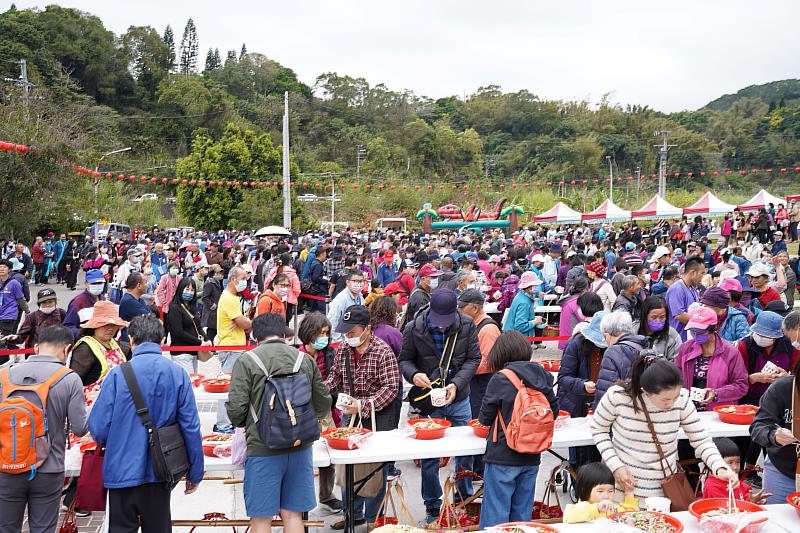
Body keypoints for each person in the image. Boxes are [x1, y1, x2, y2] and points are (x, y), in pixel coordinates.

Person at [88, 314, 204, 533]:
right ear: (162, 341)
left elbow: (99, 428)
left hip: (121, 470)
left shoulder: (116, 375)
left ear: (131, 340)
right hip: (161, 470)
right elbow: (191, 427)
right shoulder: (177, 374)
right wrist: (195, 470)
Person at [226, 313, 331, 533]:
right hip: (300, 446)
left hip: (263, 449)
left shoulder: (247, 361)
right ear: (284, 334)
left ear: (255, 335)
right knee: (293, 515)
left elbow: (236, 412)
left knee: (262, 518)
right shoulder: (304, 359)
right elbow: (323, 403)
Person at [591, 356, 737, 500]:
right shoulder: (618, 397)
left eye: (676, 396)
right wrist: (615, 466)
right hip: (623, 489)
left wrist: (719, 467)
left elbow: (701, 440)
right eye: (666, 399)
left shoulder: (682, 400)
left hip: (664, 492)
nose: (672, 403)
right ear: (645, 391)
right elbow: (598, 429)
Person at [399, 289, 481, 523]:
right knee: (429, 456)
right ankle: (432, 504)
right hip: (430, 399)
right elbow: (404, 359)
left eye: (446, 322)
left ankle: (464, 497)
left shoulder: (466, 325)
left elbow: (473, 359)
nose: (442, 327)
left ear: (456, 311)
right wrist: (414, 375)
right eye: (438, 322)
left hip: (459, 397)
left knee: (465, 451)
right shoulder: (415, 327)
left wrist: (456, 384)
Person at [0, 326, 87, 533]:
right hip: (49, 468)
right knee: (43, 528)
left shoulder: (4, 376)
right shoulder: (69, 378)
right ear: (67, 350)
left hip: (7, 466)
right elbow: (80, 428)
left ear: (36, 347)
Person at [324, 305, 400, 529]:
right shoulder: (344, 350)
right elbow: (334, 378)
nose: (348, 337)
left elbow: (391, 388)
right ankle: (351, 514)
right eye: (345, 333)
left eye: (352, 332)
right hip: (350, 419)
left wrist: (363, 405)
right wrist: (320, 391)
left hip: (379, 418)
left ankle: (373, 520)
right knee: (350, 468)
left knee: (376, 471)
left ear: (367, 329)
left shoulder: (382, 351)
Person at [477, 330, 557, 529]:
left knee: (496, 516)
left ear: (500, 354)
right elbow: (553, 411)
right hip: (532, 454)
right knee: (522, 516)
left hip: (502, 454)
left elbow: (485, 418)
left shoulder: (500, 378)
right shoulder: (544, 376)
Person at [296, 312, 342, 514]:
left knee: (329, 455)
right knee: (301, 455)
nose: (325, 337)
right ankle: (298, 498)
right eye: (321, 333)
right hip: (301, 413)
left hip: (326, 411)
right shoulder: (296, 356)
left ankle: (327, 495)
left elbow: (334, 379)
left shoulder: (330, 354)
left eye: (327, 333)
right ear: (309, 333)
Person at [674, 307, 748, 411]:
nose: (695, 335)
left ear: (713, 329)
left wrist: (717, 393)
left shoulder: (730, 353)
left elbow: (741, 385)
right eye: (693, 331)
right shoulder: (686, 348)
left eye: (700, 332)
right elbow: (676, 376)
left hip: (718, 411)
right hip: (689, 410)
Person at [214, 266, 253, 433]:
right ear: (232, 280)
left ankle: (226, 422)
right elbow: (245, 324)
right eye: (243, 278)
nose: (245, 281)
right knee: (227, 388)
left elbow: (243, 323)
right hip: (231, 347)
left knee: (233, 387)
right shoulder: (229, 298)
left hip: (235, 345)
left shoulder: (233, 297)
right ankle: (222, 424)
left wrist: (244, 322)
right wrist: (247, 322)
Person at [563, 462, 638, 523]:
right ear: (584, 490)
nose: (606, 496)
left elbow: (631, 515)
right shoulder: (578, 508)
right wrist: (597, 508)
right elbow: (568, 517)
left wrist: (629, 493)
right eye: (600, 491)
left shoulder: (612, 509)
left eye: (610, 491)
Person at [701, 438, 768, 503]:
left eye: (738, 462)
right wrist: (749, 502)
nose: (735, 467)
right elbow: (725, 508)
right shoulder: (712, 486)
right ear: (716, 463)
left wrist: (754, 500)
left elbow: (745, 496)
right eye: (730, 462)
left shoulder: (735, 481)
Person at [167, 277, 210, 374]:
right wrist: (199, 342)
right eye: (187, 289)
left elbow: (198, 326)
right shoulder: (175, 308)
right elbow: (178, 332)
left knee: (194, 382)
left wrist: (207, 339)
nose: (190, 292)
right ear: (180, 289)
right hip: (181, 354)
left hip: (193, 352)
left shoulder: (191, 308)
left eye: (192, 290)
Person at [666, 256, 704, 341]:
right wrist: (702, 320)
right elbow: (679, 315)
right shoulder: (676, 289)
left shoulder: (692, 288)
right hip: (678, 339)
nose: (702, 276)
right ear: (693, 272)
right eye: (702, 273)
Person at [502, 271, 545, 341]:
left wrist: (532, 318)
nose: (537, 287)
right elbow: (519, 326)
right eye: (535, 285)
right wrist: (534, 322)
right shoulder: (524, 303)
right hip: (518, 340)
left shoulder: (521, 295)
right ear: (528, 287)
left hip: (511, 336)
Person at [637, 296, 681, 362]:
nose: (658, 321)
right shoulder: (633, 331)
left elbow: (676, 364)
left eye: (662, 317)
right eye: (654, 317)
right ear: (645, 316)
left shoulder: (673, 336)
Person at [327, 270, 366, 344]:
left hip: (356, 338)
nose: (359, 284)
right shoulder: (341, 299)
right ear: (348, 282)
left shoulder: (360, 296)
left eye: (361, 281)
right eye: (355, 281)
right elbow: (333, 321)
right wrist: (337, 342)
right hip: (344, 340)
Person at [0, 259, 28, 359]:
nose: (1, 269)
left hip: (9, 315)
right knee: (6, 339)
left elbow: (21, 299)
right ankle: (16, 353)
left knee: (3, 341)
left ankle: (4, 363)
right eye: (0, 267)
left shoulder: (14, 283)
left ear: (9, 270)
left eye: (4, 267)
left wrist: (27, 311)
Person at [118, 272, 155, 345]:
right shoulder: (128, 301)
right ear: (139, 286)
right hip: (130, 343)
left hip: (138, 340)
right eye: (145, 282)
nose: (147, 285)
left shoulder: (139, 299)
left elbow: (152, 316)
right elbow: (150, 318)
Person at [557, 277, 588, 350]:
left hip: (566, 339)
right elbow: (584, 319)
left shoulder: (569, 299)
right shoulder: (577, 302)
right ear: (584, 289)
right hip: (572, 340)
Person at [155, 260, 182, 325]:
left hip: (177, 304)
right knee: (167, 324)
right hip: (167, 304)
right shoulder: (164, 278)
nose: (175, 269)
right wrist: (165, 302)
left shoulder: (180, 277)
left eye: (176, 268)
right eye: (173, 268)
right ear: (169, 269)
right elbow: (160, 291)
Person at [201, 264, 224, 341]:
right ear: (213, 273)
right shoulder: (209, 283)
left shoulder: (216, 282)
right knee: (211, 330)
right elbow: (205, 297)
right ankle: (210, 347)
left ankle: (212, 347)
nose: (220, 274)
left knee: (214, 329)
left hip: (215, 311)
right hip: (211, 311)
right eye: (218, 272)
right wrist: (212, 305)